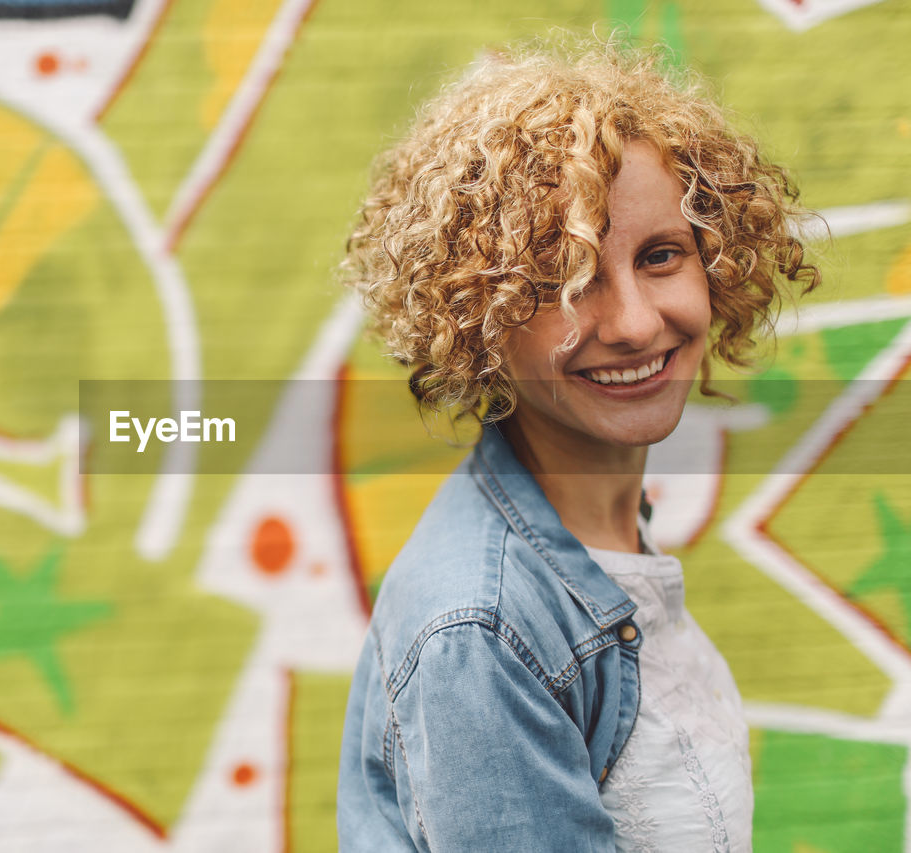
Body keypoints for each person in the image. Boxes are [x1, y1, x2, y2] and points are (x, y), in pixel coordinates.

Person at [335, 38, 818, 852]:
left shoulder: (607, 535)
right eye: (568, 276)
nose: (633, 322)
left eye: (661, 256)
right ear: (476, 314)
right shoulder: (482, 630)